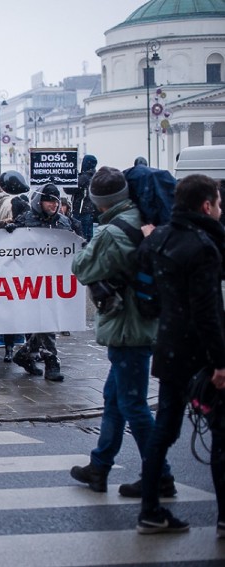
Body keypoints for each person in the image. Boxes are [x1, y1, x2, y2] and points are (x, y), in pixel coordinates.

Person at [68, 166, 174, 497]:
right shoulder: (138, 216)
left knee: (134, 404)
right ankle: (100, 466)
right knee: (114, 399)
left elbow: (81, 268)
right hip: (137, 323)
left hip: (128, 327)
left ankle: (160, 474)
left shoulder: (112, 231)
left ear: (100, 202)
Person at [135, 174, 225, 535]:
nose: (220, 210)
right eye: (218, 204)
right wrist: (220, 362)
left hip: (169, 347)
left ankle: (150, 510)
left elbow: (146, 288)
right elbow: (207, 311)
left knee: (164, 431)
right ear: (206, 206)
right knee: (220, 434)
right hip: (200, 355)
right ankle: (223, 517)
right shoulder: (203, 246)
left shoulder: (158, 238)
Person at [9, 184, 73, 381]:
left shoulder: (63, 222)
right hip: (31, 278)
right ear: (40, 202)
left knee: (47, 319)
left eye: (56, 201)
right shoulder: (26, 220)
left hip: (54, 278)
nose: (54, 205)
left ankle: (26, 354)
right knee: (45, 320)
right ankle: (50, 360)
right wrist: (6, 230)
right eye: (49, 201)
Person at [70, 154, 98, 241]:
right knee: (89, 236)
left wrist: (69, 176)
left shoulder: (84, 177)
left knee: (80, 237)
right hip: (91, 211)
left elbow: (69, 189)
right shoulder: (95, 176)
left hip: (81, 211)